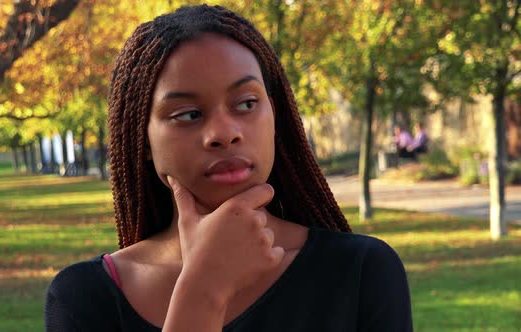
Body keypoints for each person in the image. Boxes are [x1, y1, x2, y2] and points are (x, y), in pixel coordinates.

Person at [44, 5, 412, 331]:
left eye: (247, 104)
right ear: (143, 142)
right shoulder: (83, 299)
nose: (224, 133)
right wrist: (204, 290)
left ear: (275, 117)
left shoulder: (362, 272)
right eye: (189, 114)